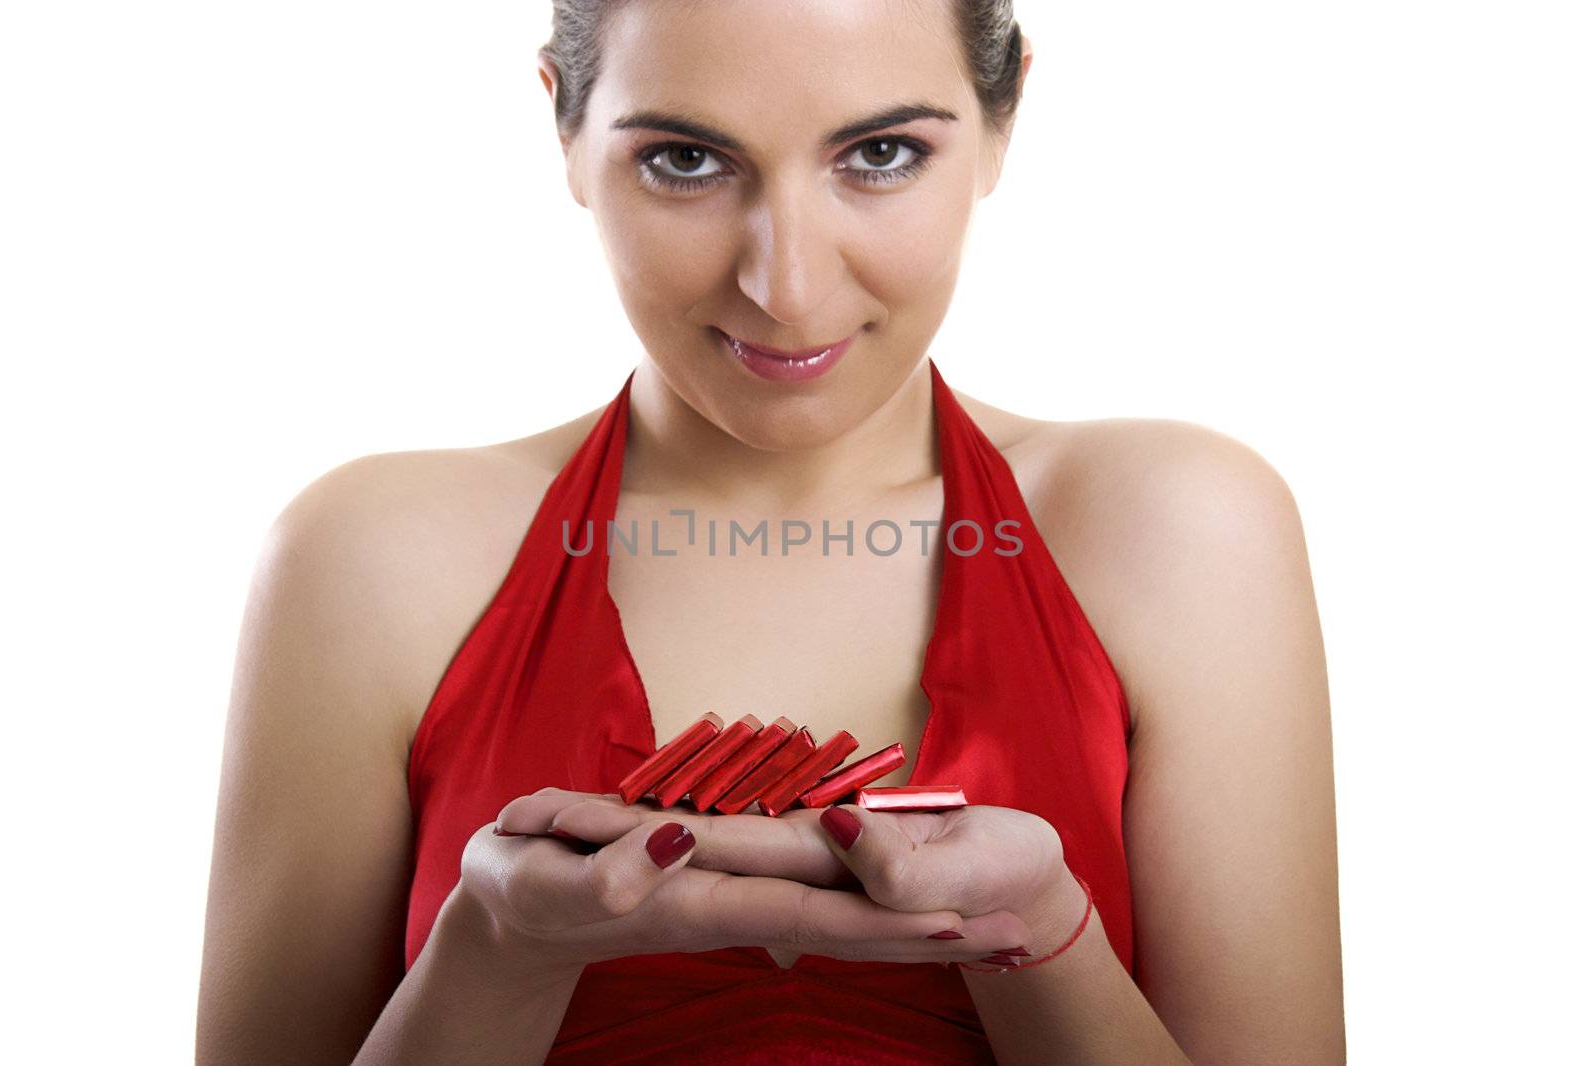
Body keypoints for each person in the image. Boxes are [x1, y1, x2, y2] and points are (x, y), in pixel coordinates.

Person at [196, 2, 1345, 1063]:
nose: (785, 286)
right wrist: (495, 961)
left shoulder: (1181, 530)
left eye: (880, 154)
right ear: (564, 130)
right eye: (685, 160)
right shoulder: (370, 558)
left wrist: (1040, 934)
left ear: (1002, 125)